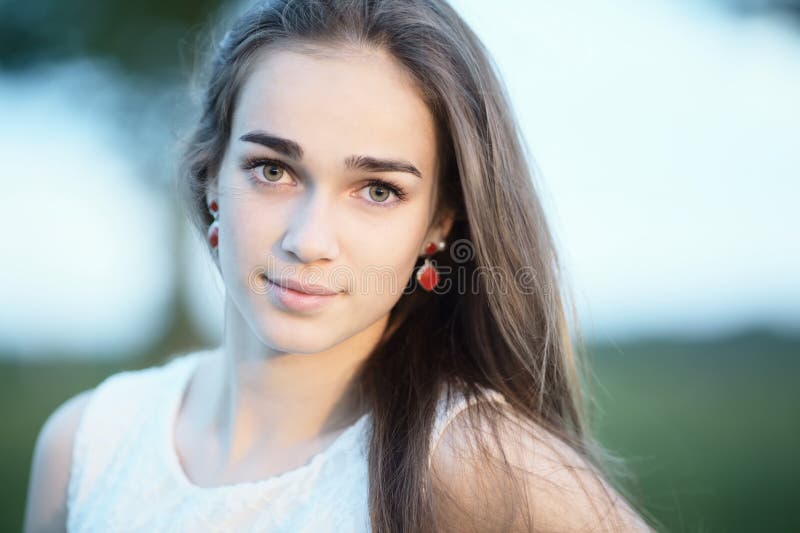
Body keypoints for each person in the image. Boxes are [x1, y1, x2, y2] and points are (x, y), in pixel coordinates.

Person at [24, 0, 662, 531]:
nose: (309, 240)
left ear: (438, 225)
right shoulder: (85, 445)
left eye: (377, 190)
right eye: (271, 170)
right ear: (212, 177)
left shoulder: (481, 466)